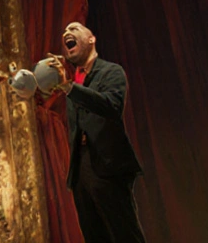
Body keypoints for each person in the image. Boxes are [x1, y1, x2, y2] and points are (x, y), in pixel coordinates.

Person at [45, 22, 146, 243]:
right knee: (95, 237)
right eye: (64, 32)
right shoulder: (72, 83)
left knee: (124, 234)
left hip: (107, 165)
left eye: (74, 29)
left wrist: (70, 88)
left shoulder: (111, 71)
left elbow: (111, 106)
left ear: (91, 39)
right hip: (81, 170)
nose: (66, 33)